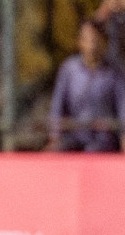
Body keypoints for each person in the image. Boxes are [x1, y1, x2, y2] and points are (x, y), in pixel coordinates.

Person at [49, 18, 125, 152]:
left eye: (96, 40)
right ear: (80, 42)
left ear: (104, 42)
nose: (92, 45)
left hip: (103, 141)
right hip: (74, 137)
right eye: (88, 40)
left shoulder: (114, 73)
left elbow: (123, 106)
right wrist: (55, 136)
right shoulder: (69, 70)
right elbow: (58, 105)